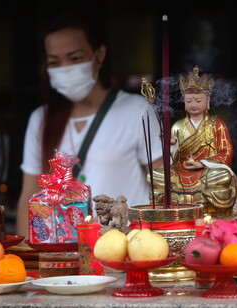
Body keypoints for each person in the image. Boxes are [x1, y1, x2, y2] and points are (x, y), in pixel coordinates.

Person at [16, 12, 162, 240]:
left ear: (99, 55)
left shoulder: (137, 111)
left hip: (124, 250)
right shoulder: (40, 120)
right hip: (63, 255)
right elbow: (29, 195)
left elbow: (162, 188)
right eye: (55, 62)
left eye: (75, 58)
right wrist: (29, 256)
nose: (65, 68)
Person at [150, 66, 237, 218]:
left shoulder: (217, 125)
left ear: (207, 102)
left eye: (198, 100)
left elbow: (226, 152)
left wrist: (201, 163)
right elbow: (173, 158)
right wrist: (172, 145)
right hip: (181, 170)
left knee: (222, 176)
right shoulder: (178, 126)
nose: (193, 104)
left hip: (208, 172)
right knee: (155, 175)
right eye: (189, 100)